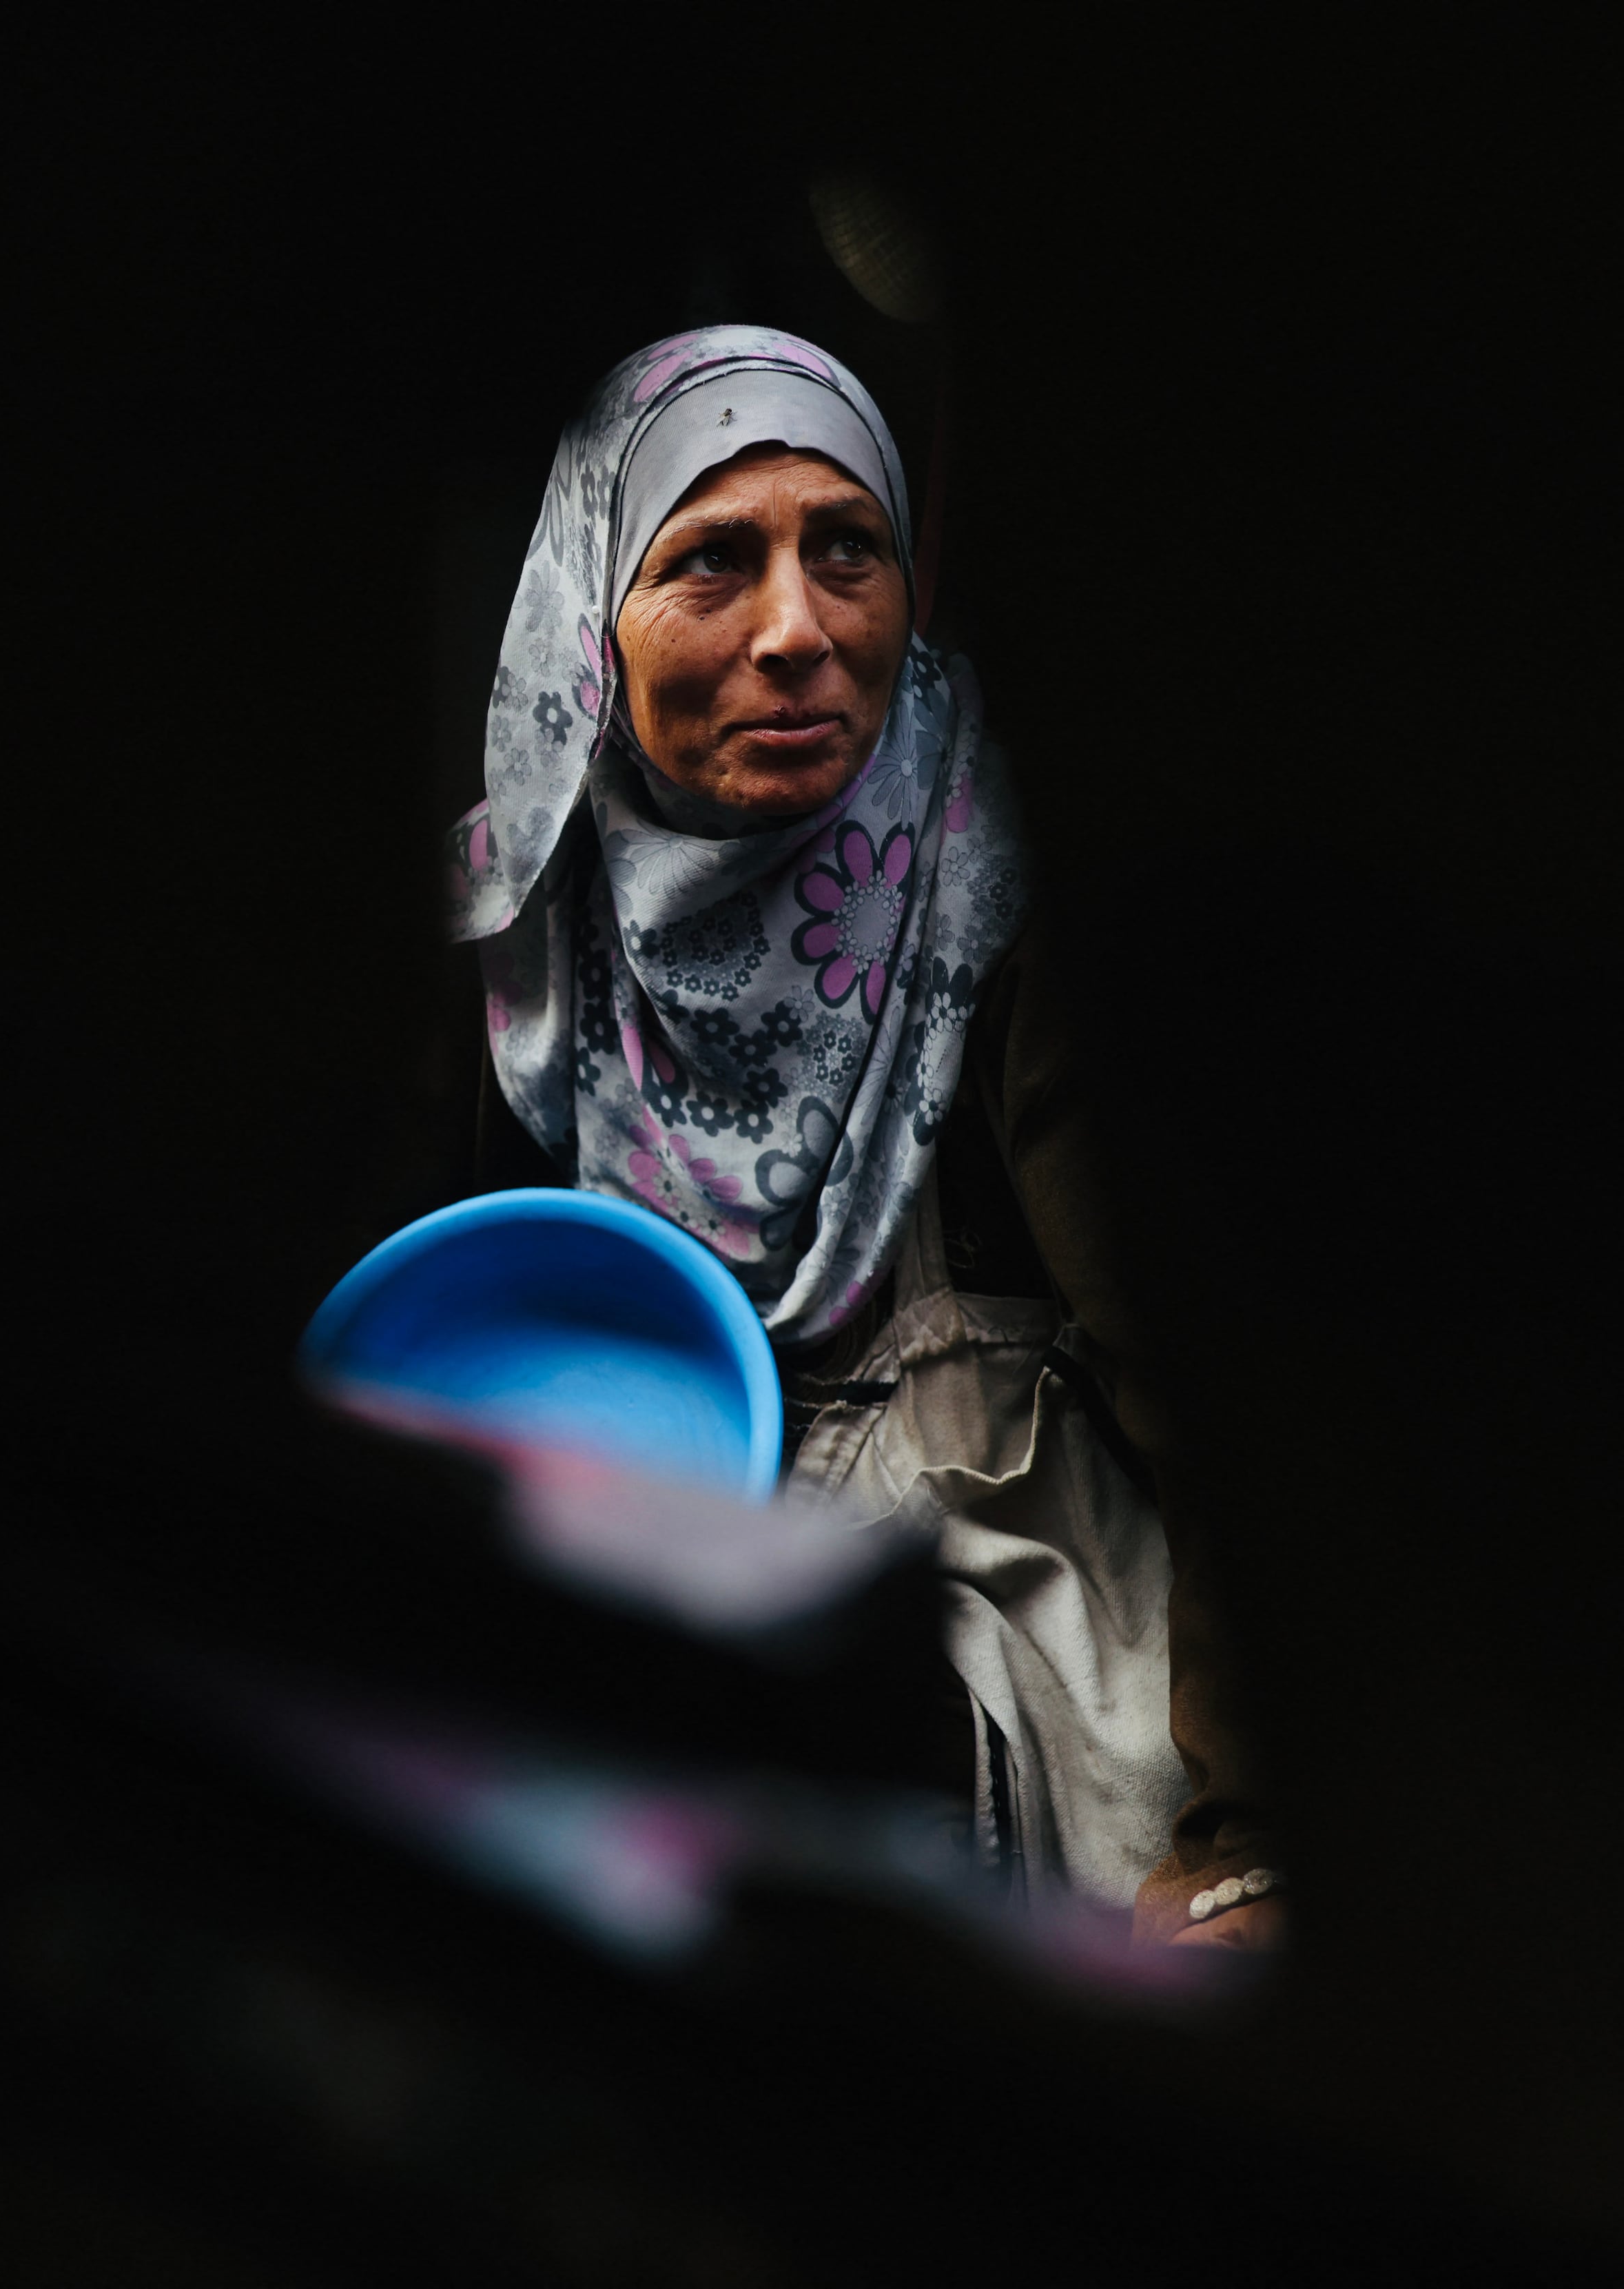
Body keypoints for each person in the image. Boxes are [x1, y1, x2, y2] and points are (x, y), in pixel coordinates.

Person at [444, 327, 1277, 1942]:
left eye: (847, 549)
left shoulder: (1009, 905)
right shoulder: (513, 934)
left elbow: (1223, 1409)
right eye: (709, 560)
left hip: (1056, 1806)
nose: (796, 630)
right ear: (587, 617)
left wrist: (1243, 1845)